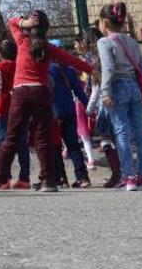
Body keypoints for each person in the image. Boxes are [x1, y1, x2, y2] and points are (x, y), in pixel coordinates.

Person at [0, 11, 92, 193]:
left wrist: (23, 23)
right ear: (47, 29)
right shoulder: (49, 48)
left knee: (11, 138)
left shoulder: (22, 41)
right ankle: (49, 181)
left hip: (20, 93)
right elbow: (74, 61)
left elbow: (11, 23)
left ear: (30, 28)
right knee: (42, 138)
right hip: (41, 93)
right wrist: (93, 70)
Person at [96, 3, 142, 191]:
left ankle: (128, 176)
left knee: (122, 132)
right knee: (139, 132)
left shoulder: (104, 42)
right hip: (134, 87)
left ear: (104, 22)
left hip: (117, 87)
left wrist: (105, 92)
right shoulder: (132, 42)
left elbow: (108, 68)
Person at [0, 40, 31, 189]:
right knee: (22, 142)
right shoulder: (21, 65)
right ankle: (25, 178)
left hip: (5, 107)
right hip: (21, 106)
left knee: (3, 142)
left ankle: (4, 178)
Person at [49, 39, 91, 188]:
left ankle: (61, 178)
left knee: (55, 146)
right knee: (73, 146)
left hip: (54, 112)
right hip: (69, 111)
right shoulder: (69, 70)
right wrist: (89, 108)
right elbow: (79, 92)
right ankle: (83, 177)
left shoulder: (48, 69)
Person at [74, 33, 97, 170]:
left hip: (84, 96)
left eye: (76, 43)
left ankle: (90, 159)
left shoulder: (83, 60)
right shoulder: (91, 57)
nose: (75, 46)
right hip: (91, 95)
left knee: (83, 129)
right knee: (82, 127)